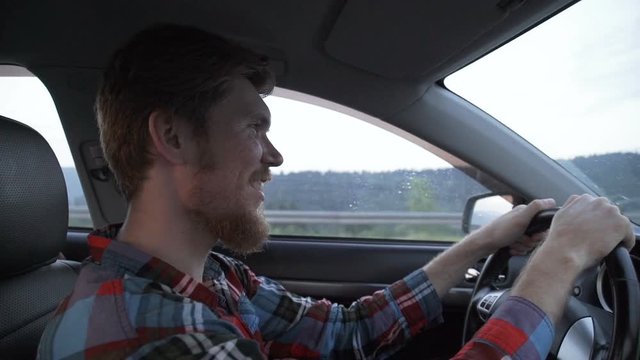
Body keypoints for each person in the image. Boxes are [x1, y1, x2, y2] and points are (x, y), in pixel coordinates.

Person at [37, 24, 635, 360]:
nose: (274, 157)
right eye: (255, 128)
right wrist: (559, 263)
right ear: (173, 136)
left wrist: (484, 241)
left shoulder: (211, 277)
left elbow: (346, 331)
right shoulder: (156, 338)